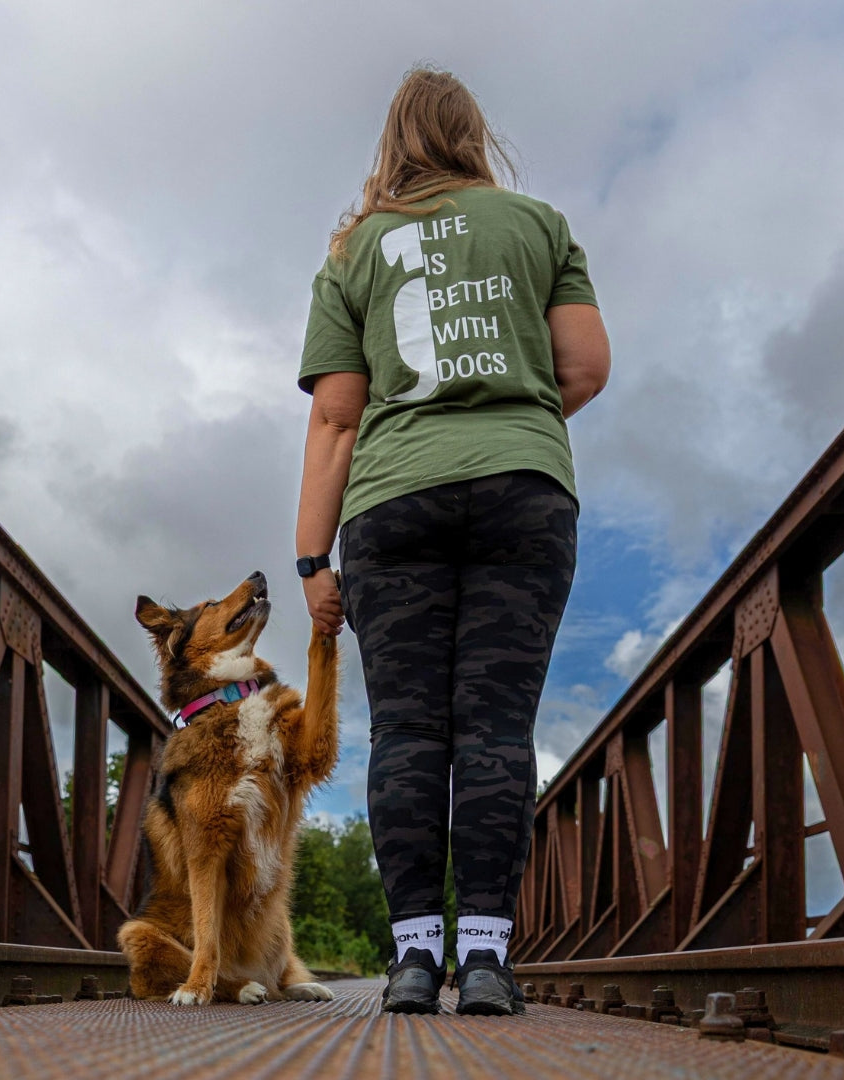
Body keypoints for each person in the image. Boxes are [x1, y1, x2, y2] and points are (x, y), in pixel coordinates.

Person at [294, 68, 609, 1016]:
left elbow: (336, 424)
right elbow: (585, 368)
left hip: (394, 506)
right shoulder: (540, 226)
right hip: (524, 492)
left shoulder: (353, 251)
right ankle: (486, 958)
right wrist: (506, 420)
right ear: (476, 136)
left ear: (394, 140)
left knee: (410, 731)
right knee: (496, 731)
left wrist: (313, 560)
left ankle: (412, 960)